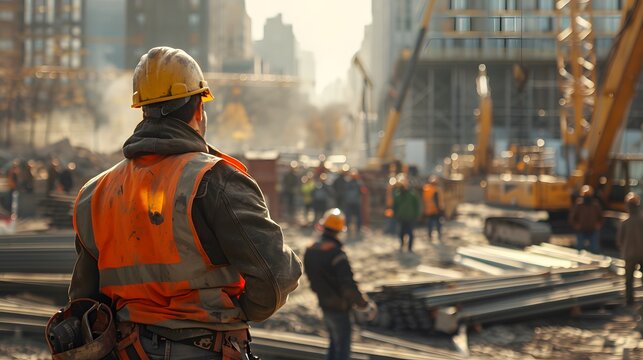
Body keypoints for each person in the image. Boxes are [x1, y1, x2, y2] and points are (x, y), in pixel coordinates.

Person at [61, 47, 302, 359]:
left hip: (126, 349)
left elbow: (84, 300)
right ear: (198, 107)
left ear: (142, 108)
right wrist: (234, 312)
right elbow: (275, 277)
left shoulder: (96, 192)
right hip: (206, 348)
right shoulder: (216, 180)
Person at [304, 208, 375, 360]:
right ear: (339, 231)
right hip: (340, 309)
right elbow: (348, 286)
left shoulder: (310, 250)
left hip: (324, 304)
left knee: (333, 344)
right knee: (342, 349)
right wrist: (364, 305)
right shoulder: (337, 254)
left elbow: (311, 279)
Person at [617, 192, 643, 305]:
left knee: (629, 280)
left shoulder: (625, 222)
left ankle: (629, 301)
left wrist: (624, 248)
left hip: (629, 254)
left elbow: (619, 240)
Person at [569, 185, 603, 253]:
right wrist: (576, 225)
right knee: (579, 248)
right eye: (585, 195)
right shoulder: (579, 205)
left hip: (593, 230)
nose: (587, 197)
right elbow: (572, 217)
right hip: (581, 230)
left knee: (594, 249)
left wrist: (598, 225)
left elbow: (600, 217)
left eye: (589, 195)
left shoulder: (595, 205)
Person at [393, 174, 421, 252]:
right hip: (401, 217)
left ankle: (410, 248)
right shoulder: (397, 193)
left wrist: (417, 214)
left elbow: (417, 205)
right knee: (401, 233)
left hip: (410, 217)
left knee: (410, 233)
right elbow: (395, 205)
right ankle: (402, 245)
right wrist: (395, 214)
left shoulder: (412, 194)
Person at [422, 175, 443, 242]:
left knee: (437, 224)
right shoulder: (429, 189)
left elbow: (440, 200)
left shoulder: (436, 189)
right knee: (431, 224)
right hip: (431, 210)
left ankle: (437, 235)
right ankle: (431, 236)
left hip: (435, 210)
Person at [343, 170, 364, 236]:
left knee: (358, 216)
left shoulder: (359, 183)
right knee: (348, 216)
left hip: (355, 202)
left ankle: (358, 228)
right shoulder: (348, 183)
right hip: (350, 202)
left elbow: (363, 192)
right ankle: (348, 227)